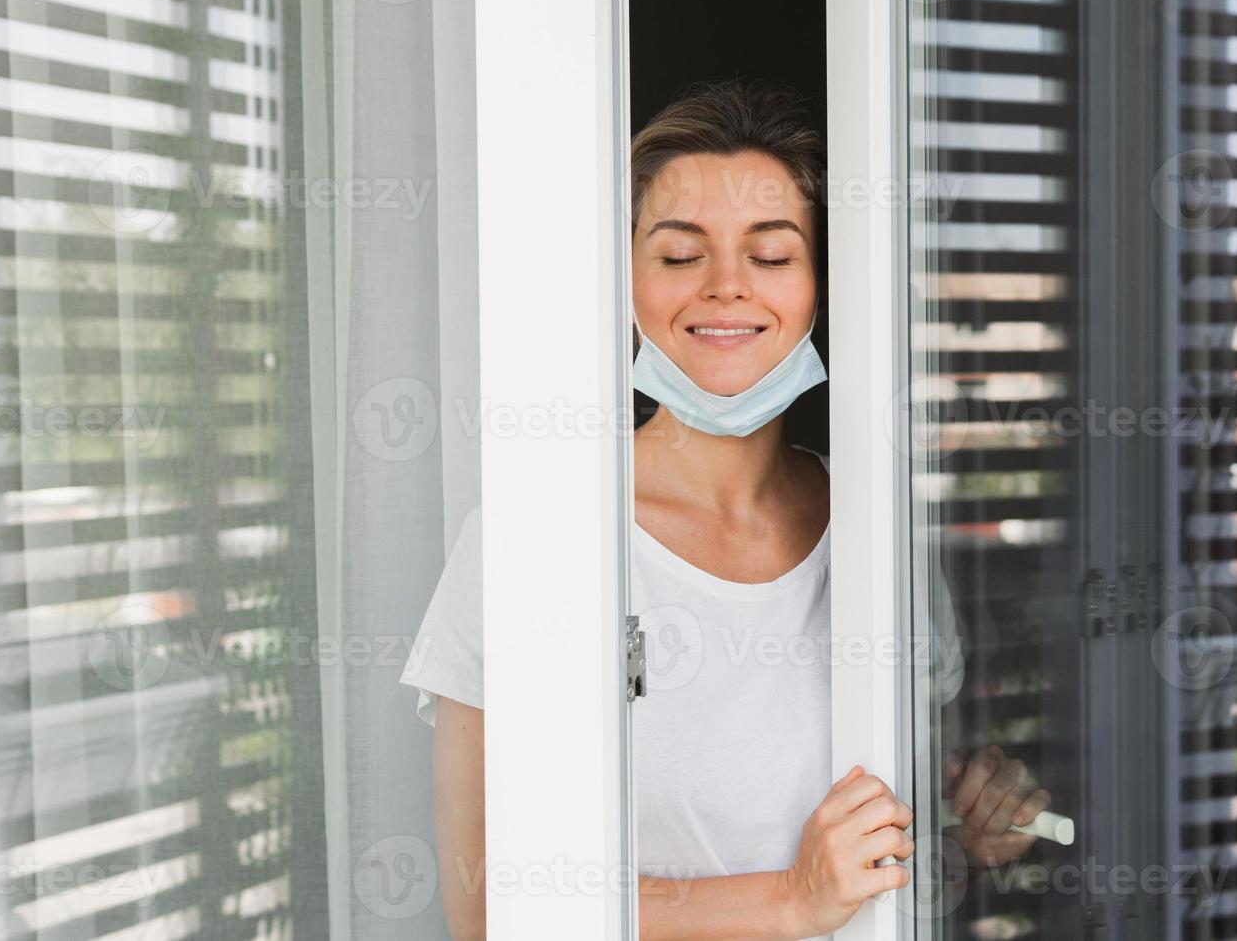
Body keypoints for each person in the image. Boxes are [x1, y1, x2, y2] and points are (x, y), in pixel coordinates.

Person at [399, 77, 1052, 941]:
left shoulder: (880, 539)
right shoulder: (533, 539)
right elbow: (489, 911)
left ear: (822, 285)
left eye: (772, 255)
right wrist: (788, 898)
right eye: (679, 255)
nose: (726, 288)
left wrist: (968, 833)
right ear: (624, 281)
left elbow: (891, 876)